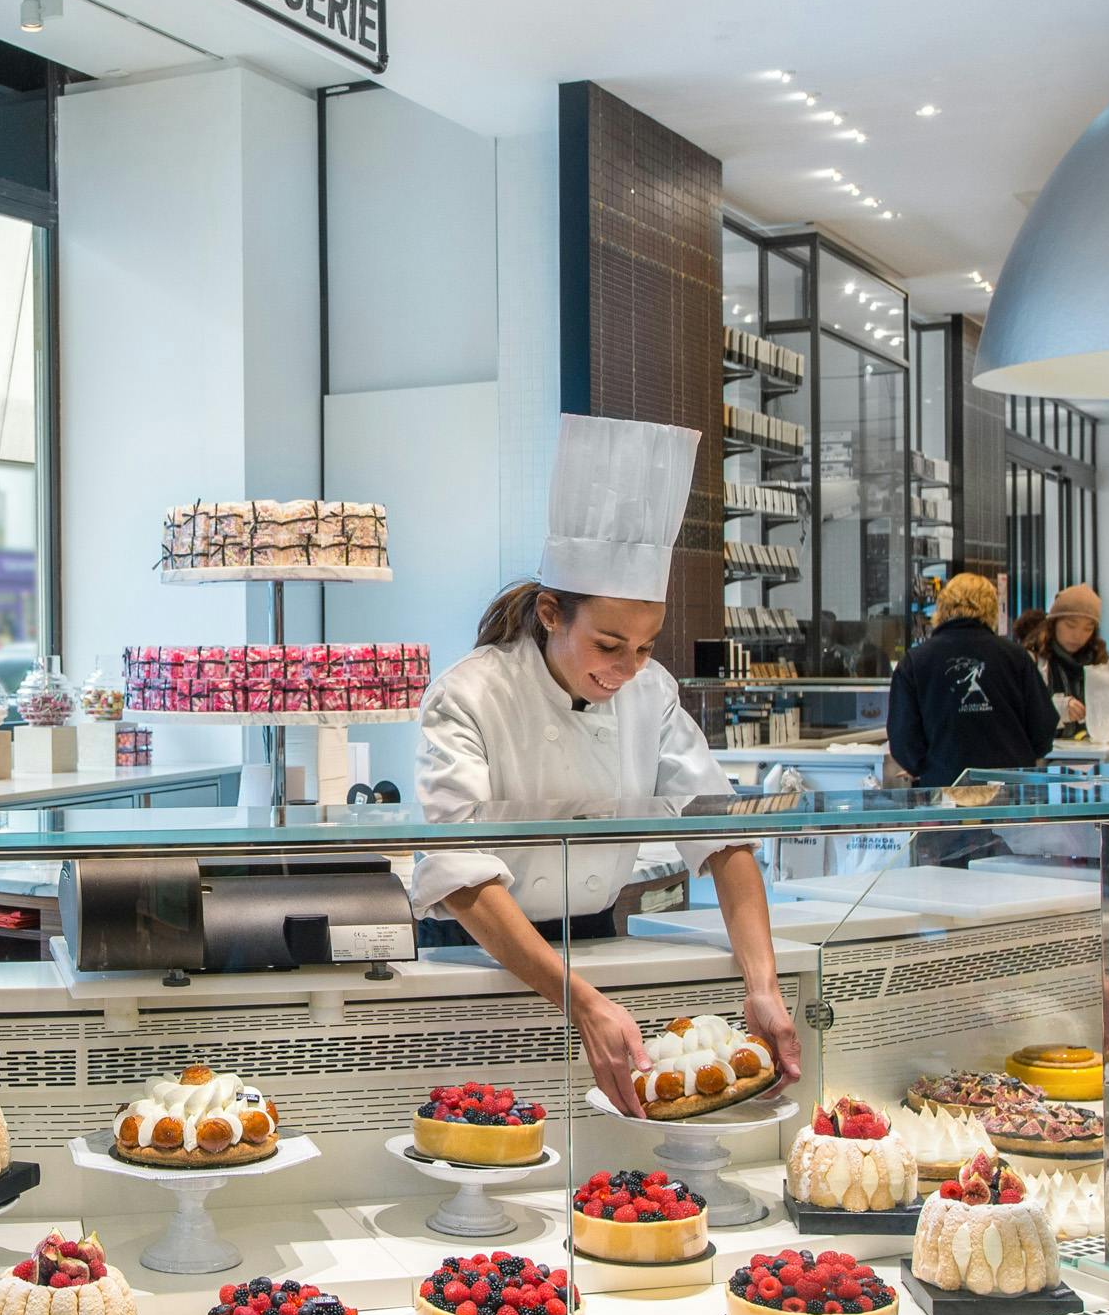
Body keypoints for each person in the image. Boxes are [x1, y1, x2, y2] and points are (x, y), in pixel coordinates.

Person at [415, 414, 804, 1117]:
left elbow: (720, 834)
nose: (627, 668)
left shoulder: (649, 693)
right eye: (608, 644)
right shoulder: (467, 694)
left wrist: (763, 985)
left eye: (646, 647)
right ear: (550, 612)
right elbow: (460, 877)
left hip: (595, 945)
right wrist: (580, 1002)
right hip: (474, 959)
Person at [887, 573, 1058, 788]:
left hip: (943, 789)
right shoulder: (1016, 657)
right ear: (992, 609)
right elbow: (1044, 726)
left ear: (941, 607)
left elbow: (903, 739)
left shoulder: (914, 662)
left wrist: (927, 767)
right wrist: (1020, 757)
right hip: (1010, 788)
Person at [1020, 584, 1108, 739]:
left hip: (1090, 754)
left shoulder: (1098, 662)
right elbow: (1019, 712)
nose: (1078, 635)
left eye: (1088, 628)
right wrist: (1057, 709)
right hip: (1045, 758)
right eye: (1070, 625)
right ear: (1053, 623)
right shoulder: (1030, 659)